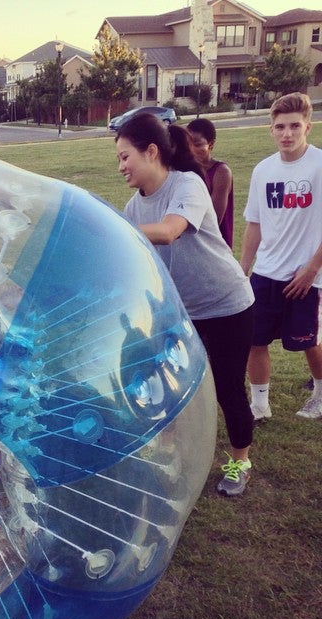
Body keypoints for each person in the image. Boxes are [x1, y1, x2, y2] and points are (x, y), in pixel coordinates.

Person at [115, 112, 255, 497]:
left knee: (227, 387)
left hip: (226, 305)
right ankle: (172, 456)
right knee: (170, 387)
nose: (121, 166)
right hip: (180, 312)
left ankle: (240, 461)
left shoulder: (187, 184)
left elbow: (169, 231)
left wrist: (113, 227)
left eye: (125, 157)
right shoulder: (133, 208)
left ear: (152, 151)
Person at [240, 92, 322, 420]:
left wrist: (312, 270)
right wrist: (243, 269)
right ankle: (259, 405)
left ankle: (320, 395)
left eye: (294, 126)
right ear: (271, 130)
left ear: (308, 127)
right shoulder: (263, 170)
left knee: (308, 341)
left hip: (306, 276)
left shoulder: (319, 165)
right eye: (280, 127)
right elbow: (255, 223)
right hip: (266, 273)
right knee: (254, 339)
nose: (287, 133)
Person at [186, 118, 234, 248]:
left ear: (211, 144)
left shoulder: (221, 172)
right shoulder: (185, 171)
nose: (191, 149)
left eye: (197, 144)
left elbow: (214, 220)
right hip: (192, 245)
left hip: (214, 247)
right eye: (188, 144)